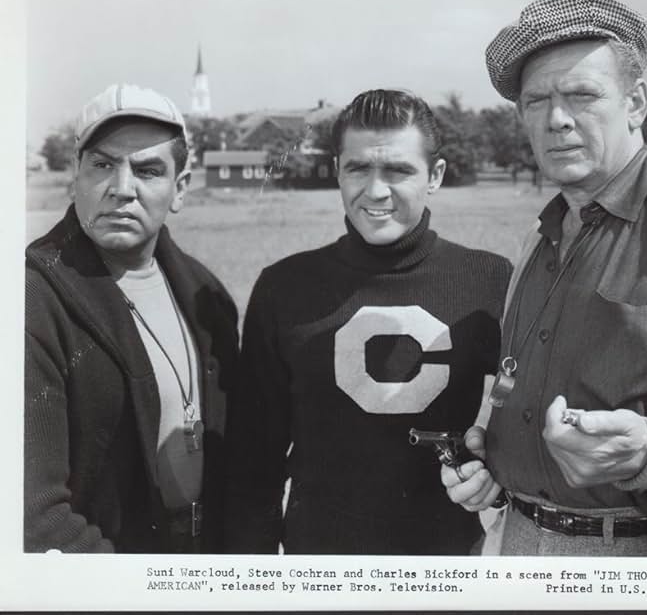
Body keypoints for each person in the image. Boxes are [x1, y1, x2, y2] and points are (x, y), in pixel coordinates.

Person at [441, 0, 647, 557]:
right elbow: (519, 384)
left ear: (636, 102)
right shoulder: (538, 236)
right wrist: (494, 457)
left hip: (645, 556)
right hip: (517, 544)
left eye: (582, 95)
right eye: (536, 100)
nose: (558, 120)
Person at [225, 89, 511, 554]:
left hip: (446, 568)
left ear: (434, 175)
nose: (376, 190)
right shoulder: (284, 287)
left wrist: (493, 459)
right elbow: (253, 460)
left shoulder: (488, 278)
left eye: (399, 170)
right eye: (358, 168)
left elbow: (527, 403)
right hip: (318, 572)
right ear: (337, 169)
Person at [25, 84, 239, 553]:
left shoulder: (208, 296)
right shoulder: (29, 297)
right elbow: (33, 514)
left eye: (147, 170)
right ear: (73, 178)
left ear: (179, 189)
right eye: (102, 165)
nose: (122, 189)